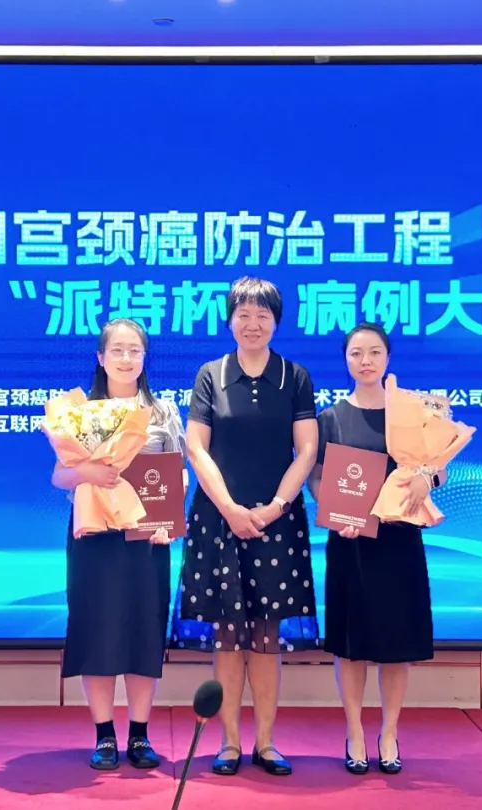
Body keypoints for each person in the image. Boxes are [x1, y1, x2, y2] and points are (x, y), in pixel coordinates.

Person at [171, 276, 320, 777]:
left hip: (277, 523)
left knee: (266, 638)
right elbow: (196, 449)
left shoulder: (294, 376)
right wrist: (231, 509)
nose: (252, 324)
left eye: (263, 315)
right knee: (228, 638)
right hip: (219, 521)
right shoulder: (210, 375)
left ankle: (267, 743)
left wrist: (276, 506)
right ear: (230, 319)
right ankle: (230, 743)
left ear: (276, 321)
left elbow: (307, 451)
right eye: (243, 314)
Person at [52, 318, 187, 771]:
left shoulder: (162, 411)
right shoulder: (81, 412)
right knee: (97, 629)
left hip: (147, 537)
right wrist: (87, 472)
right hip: (94, 537)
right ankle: (104, 735)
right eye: (117, 350)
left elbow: (179, 471)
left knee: (143, 629)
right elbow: (59, 476)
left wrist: (170, 519)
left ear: (145, 358)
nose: (126, 358)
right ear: (101, 357)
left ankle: (140, 735)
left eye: (135, 350)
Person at [307, 322, 442, 776]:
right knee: (351, 644)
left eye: (374, 352)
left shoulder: (413, 413)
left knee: (396, 643)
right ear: (345, 360)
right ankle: (354, 732)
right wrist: (334, 512)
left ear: (388, 358)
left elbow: (439, 466)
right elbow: (316, 478)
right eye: (356, 353)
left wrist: (429, 479)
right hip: (351, 543)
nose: (365, 361)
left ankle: (388, 732)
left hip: (400, 540)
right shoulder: (330, 418)